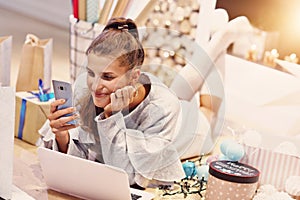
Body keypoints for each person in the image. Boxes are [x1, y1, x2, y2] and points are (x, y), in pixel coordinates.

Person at [39, 16, 252, 188]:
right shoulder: (91, 89)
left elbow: (128, 176)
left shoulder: (162, 107)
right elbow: (82, 157)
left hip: (186, 129)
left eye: (107, 77)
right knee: (177, 90)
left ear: (134, 77)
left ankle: (224, 36)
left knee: (208, 110)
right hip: (161, 107)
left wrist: (110, 118)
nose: (94, 85)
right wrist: (62, 134)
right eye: (91, 73)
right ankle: (221, 37)